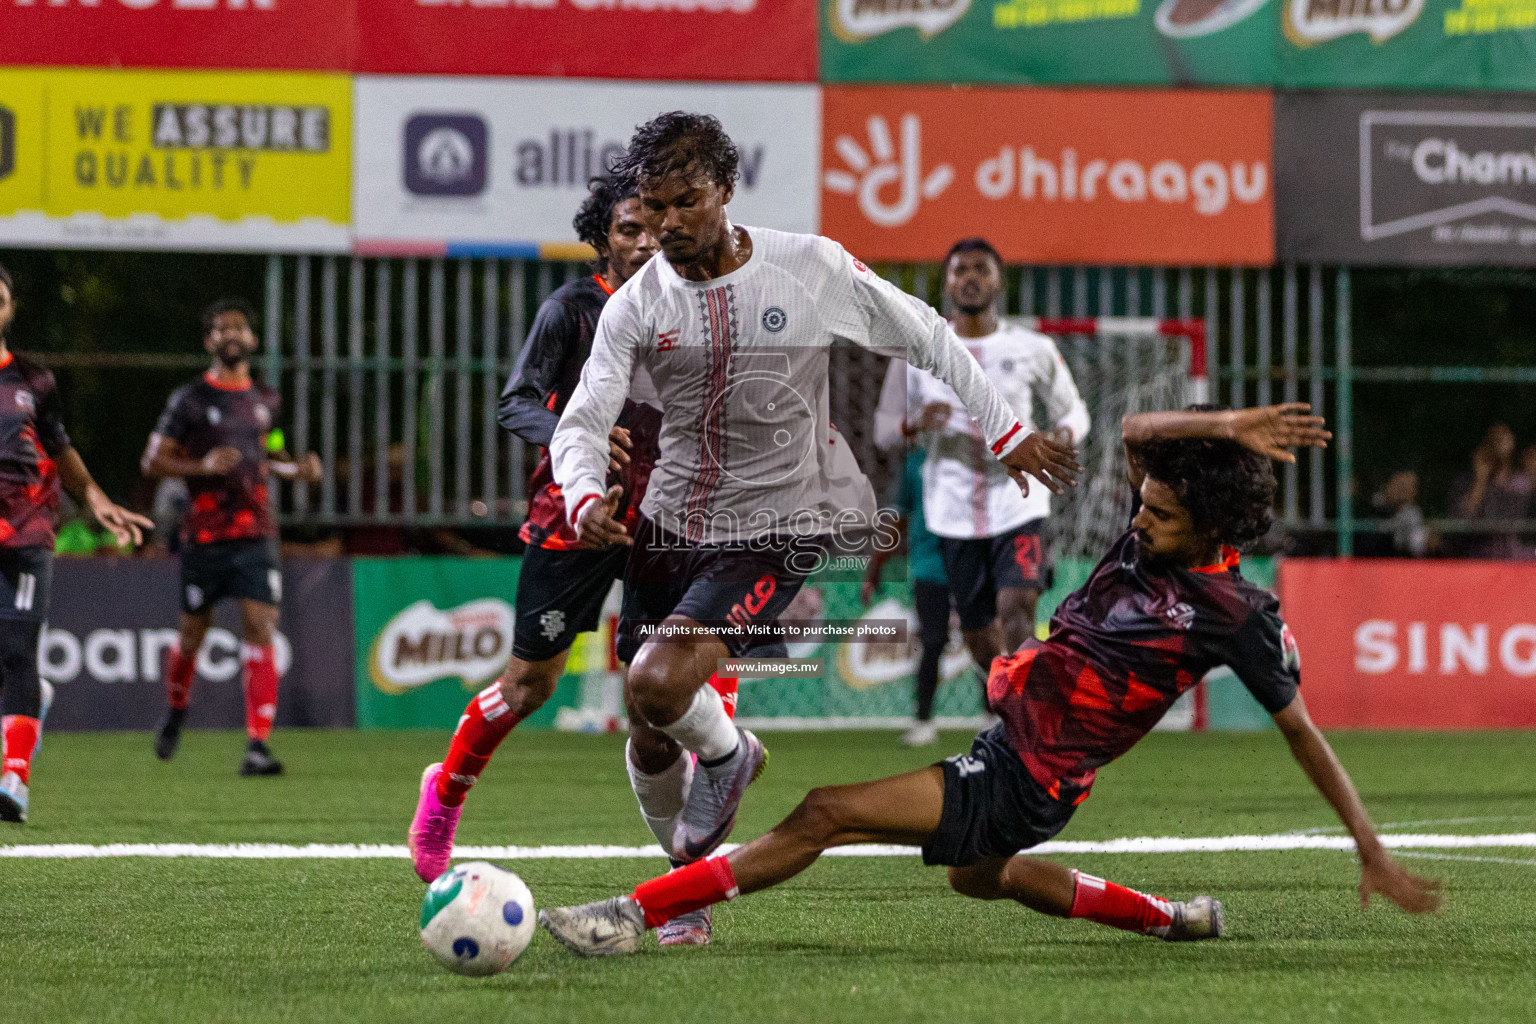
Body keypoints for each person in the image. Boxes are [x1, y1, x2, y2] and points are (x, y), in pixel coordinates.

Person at [538, 403, 1445, 956]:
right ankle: (1170, 918)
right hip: (1016, 750)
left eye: (1163, 511)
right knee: (984, 880)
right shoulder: (1149, 536)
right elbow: (1133, 433)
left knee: (824, 811)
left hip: (1030, 775)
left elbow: (1302, 732)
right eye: (1146, 500)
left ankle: (632, 911)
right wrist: (1223, 427)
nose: (1140, 513)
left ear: (1209, 527)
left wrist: (1367, 843)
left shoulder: (1237, 615)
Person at [547, 112, 1080, 882]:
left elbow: (928, 335)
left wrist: (1005, 431)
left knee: (659, 681)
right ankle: (686, 863)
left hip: (775, 523)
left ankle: (717, 783)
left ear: (726, 189)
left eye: (685, 202)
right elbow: (584, 418)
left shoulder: (809, 267)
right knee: (650, 727)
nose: (666, 225)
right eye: (653, 208)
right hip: (669, 525)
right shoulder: (637, 305)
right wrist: (583, 494)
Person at [406, 173, 743, 945]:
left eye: (656, 225)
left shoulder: (701, 304)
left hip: (670, 525)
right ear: (605, 237)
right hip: (574, 520)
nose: (645, 240)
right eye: (629, 227)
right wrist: (579, 431)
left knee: (658, 713)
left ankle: (680, 892)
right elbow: (515, 400)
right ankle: (446, 793)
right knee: (528, 687)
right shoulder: (571, 309)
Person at [142, 297, 322, 776]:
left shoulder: (267, 400)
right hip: (204, 534)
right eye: (221, 329)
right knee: (191, 636)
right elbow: (152, 461)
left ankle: (257, 746)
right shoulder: (190, 399)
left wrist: (295, 468)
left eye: (239, 328)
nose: (231, 336)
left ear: (253, 339)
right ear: (209, 341)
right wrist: (199, 467)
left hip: (255, 534)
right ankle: (177, 710)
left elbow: (273, 450)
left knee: (261, 627)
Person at [905, 239, 1089, 705]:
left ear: (998, 280)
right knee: (977, 633)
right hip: (952, 510)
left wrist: (1060, 439)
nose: (970, 277)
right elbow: (901, 430)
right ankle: (1013, 706)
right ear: (947, 281)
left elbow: (1075, 412)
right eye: (959, 269)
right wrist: (916, 426)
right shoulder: (924, 352)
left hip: (1018, 501)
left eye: (980, 269)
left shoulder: (1032, 347)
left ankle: (1035, 716)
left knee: (1017, 608)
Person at [0, 262, 152, 822]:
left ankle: (14, 779)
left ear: (10, 309)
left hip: (25, 533)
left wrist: (95, 499)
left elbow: (60, 449)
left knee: (17, 652)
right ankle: (32, 706)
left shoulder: (34, 381)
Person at [868, 361, 953, 746]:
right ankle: (923, 721)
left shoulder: (974, 461)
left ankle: (994, 714)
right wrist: (875, 568)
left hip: (972, 559)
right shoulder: (916, 462)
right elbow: (898, 519)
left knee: (988, 633)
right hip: (930, 564)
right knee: (932, 639)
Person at [1448, 423, 1533, 559]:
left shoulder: (1521, 481)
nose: (1501, 440)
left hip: (1514, 555)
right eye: (1495, 437)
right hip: (1480, 556)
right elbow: (1464, 515)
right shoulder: (1467, 481)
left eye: (1505, 435)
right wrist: (1480, 478)